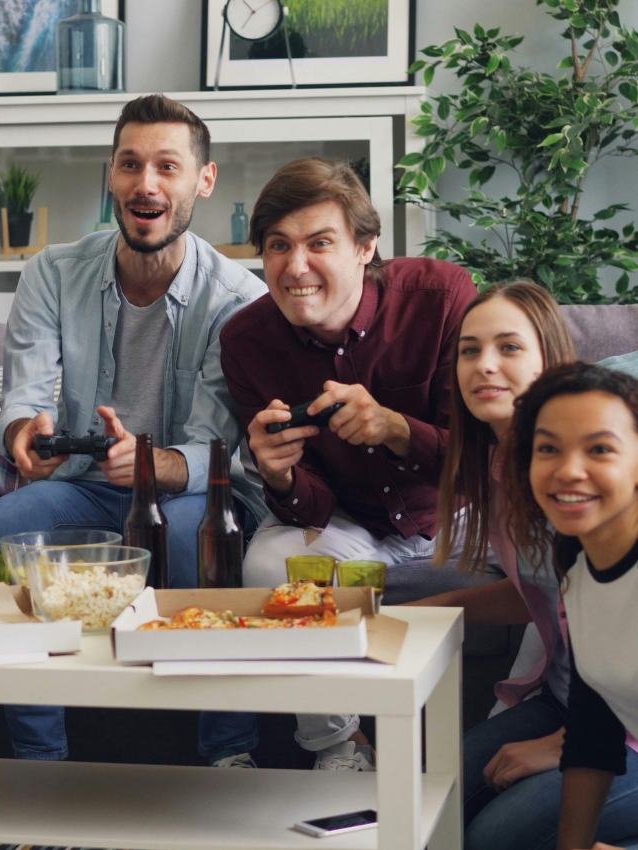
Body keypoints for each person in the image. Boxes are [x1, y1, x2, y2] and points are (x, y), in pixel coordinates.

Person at [0, 94, 267, 763]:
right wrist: (26, 433)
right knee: (6, 525)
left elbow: (217, 452)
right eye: (130, 165)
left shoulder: (239, 301)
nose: (147, 184)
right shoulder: (52, 271)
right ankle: (39, 763)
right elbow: (22, 395)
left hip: (188, 496)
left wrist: (149, 462)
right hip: (84, 487)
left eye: (168, 166)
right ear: (110, 176)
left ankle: (229, 753)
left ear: (204, 180)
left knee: (210, 538)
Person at [217, 156, 478, 770]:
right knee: (267, 558)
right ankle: (338, 748)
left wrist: (395, 429)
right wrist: (277, 474)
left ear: (366, 247)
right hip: (353, 523)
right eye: (278, 246)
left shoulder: (442, 298)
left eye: (319, 243)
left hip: (458, 513)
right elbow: (310, 503)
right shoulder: (245, 341)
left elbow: (481, 462)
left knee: (554, 549)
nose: (295, 266)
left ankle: (534, 725)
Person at [412, 283, 638, 849]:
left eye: (509, 347)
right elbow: (547, 595)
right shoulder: (504, 469)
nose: (484, 365)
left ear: (550, 361)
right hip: (570, 701)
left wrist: (565, 744)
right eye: (469, 349)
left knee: (492, 837)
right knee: (423, 799)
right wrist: (414, 614)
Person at [505, 362, 638, 850]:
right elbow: (594, 721)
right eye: (548, 449)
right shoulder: (577, 555)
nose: (568, 470)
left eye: (600, 448)